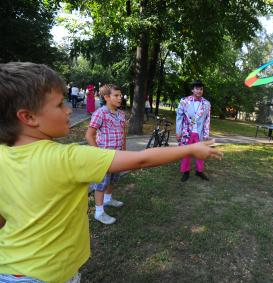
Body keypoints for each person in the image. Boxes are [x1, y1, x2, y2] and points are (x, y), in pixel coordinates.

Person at [0, 62, 222, 282]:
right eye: (59, 105)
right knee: (102, 183)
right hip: (50, 275)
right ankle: (100, 208)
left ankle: (108, 200)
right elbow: (142, 159)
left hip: (9, 267)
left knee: (109, 182)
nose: (68, 109)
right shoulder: (69, 157)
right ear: (28, 117)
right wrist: (192, 148)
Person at [85, 84, 126, 225]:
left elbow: (122, 133)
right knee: (101, 183)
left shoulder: (121, 114)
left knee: (113, 179)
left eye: (120, 95)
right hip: (104, 156)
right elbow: (89, 135)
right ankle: (99, 212)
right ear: (107, 97)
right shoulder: (100, 113)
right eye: (116, 95)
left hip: (117, 155)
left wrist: (123, 150)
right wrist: (98, 154)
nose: (120, 98)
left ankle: (109, 199)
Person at [176, 80, 211, 182]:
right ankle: (186, 172)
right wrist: (178, 131)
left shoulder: (207, 104)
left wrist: (206, 134)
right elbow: (179, 117)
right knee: (186, 153)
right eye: (197, 88)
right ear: (192, 90)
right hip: (187, 132)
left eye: (201, 89)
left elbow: (207, 120)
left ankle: (199, 171)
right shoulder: (184, 101)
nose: (199, 91)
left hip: (199, 133)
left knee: (200, 152)